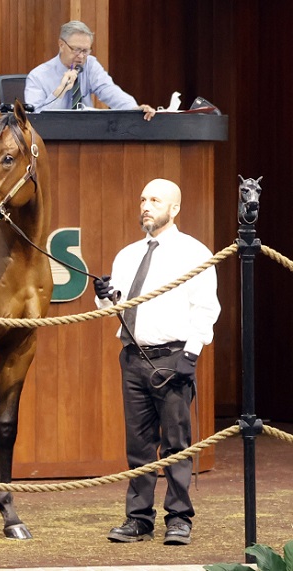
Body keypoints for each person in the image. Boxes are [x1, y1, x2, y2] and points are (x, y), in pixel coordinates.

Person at [93, 178, 220, 545]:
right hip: (132, 359)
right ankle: (139, 519)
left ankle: (179, 519)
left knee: (177, 444)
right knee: (139, 445)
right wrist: (104, 296)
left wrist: (192, 355)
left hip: (172, 359)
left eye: (155, 200)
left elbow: (207, 308)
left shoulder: (194, 253)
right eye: (143, 198)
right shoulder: (128, 254)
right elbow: (113, 308)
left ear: (174, 209)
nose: (145, 205)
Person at [25, 20, 155, 120]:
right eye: (76, 50)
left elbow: (109, 90)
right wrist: (61, 90)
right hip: (51, 139)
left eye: (85, 51)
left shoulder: (90, 65)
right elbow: (36, 118)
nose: (81, 56)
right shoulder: (38, 76)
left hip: (85, 135)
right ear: (61, 45)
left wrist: (134, 108)